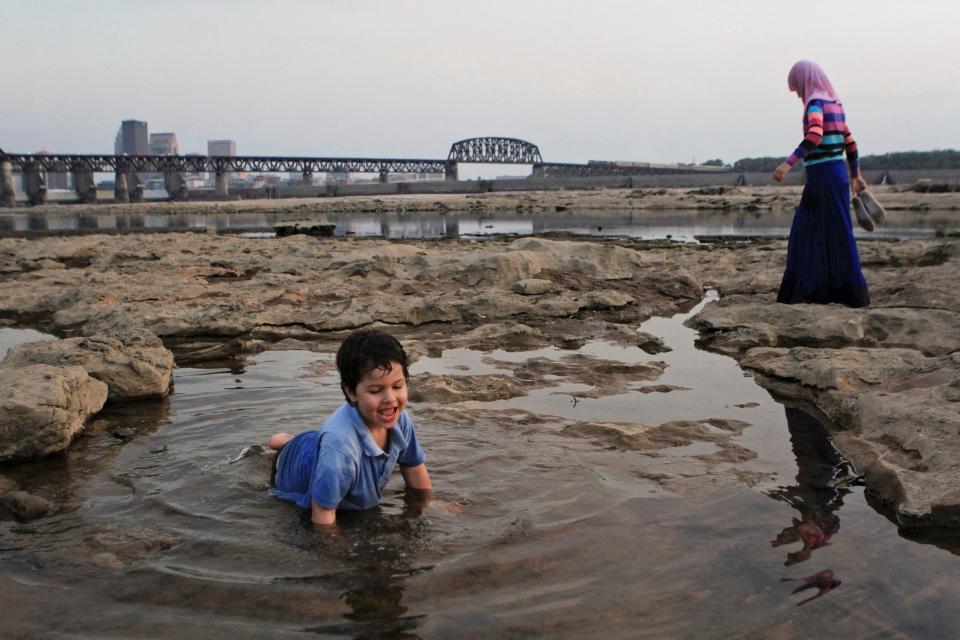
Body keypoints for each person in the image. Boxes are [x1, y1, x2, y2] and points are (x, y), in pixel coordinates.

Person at [268, 328, 432, 526]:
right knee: (299, 451)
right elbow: (322, 512)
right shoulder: (340, 448)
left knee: (316, 442)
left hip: (324, 443)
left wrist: (427, 505)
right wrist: (335, 548)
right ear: (351, 392)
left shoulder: (400, 419)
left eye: (397, 386)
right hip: (291, 471)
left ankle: (288, 440)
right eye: (375, 390)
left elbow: (414, 468)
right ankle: (285, 446)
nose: (390, 399)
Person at [773, 60, 870, 307]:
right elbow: (851, 143)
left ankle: (806, 289)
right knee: (837, 231)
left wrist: (788, 163)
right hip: (837, 175)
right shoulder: (836, 104)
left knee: (805, 232)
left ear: (804, 81)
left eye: (796, 87)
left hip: (822, 177)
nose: (796, 92)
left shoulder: (815, 104)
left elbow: (814, 135)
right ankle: (846, 293)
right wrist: (855, 175)